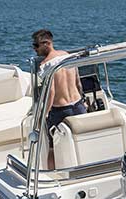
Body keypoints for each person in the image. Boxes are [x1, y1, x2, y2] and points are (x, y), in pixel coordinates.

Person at [31, 29, 87, 168]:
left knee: (52, 147)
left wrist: (43, 115)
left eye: (36, 46)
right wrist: (83, 102)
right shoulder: (68, 56)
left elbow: (51, 92)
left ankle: (53, 174)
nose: (34, 49)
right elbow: (78, 83)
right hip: (78, 106)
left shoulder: (46, 65)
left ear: (46, 44)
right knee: (82, 140)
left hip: (61, 111)